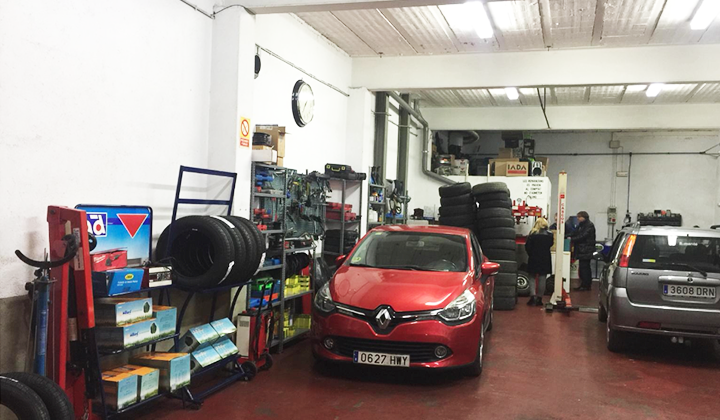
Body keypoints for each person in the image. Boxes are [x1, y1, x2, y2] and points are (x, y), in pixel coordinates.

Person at [524, 218, 554, 306]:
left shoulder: (532, 234)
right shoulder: (550, 235)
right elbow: (550, 245)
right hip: (545, 258)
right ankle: (540, 299)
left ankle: (533, 297)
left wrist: (531, 254)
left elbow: (527, 247)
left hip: (533, 257)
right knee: (542, 277)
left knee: (532, 277)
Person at [569, 211, 596, 291]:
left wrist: (571, 239)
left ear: (583, 217)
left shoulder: (589, 226)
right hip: (582, 250)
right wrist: (566, 235)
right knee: (583, 268)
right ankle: (584, 284)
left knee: (585, 268)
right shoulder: (582, 225)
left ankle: (586, 285)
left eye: (579, 217)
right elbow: (575, 233)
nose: (577, 219)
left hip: (586, 250)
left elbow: (583, 236)